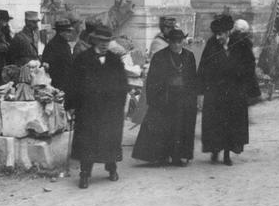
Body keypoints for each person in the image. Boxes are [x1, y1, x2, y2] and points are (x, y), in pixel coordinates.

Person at [65, 24, 129, 189]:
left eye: (107, 41)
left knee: (110, 140)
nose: (104, 44)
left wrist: (119, 105)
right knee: (88, 142)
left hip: (110, 110)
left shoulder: (115, 60)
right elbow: (73, 83)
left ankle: (111, 168)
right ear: (94, 40)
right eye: (101, 40)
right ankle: (85, 174)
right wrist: (71, 105)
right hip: (89, 110)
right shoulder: (83, 59)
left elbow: (123, 85)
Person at [132, 28, 198, 166]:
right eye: (173, 42)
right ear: (169, 42)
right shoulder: (160, 56)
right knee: (162, 128)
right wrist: (155, 99)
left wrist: (193, 99)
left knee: (180, 128)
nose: (176, 45)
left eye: (179, 42)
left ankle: (178, 157)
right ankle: (161, 156)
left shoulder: (189, 56)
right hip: (165, 98)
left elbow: (192, 79)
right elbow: (152, 80)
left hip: (182, 99)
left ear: (183, 42)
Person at [197, 14, 255, 166]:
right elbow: (203, 67)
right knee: (215, 123)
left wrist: (246, 86)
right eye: (216, 34)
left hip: (235, 91)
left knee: (232, 123)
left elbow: (250, 65)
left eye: (221, 34)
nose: (218, 37)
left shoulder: (241, 44)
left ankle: (228, 154)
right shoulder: (211, 45)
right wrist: (201, 91)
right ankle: (215, 150)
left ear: (228, 32)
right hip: (216, 92)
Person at [230, 19, 261, 103]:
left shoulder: (233, 38)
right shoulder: (244, 40)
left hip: (240, 64)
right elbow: (249, 55)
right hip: (244, 65)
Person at [41, 19, 74, 92]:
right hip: (57, 85)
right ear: (61, 32)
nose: (70, 34)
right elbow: (47, 67)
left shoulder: (65, 45)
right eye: (68, 31)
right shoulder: (52, 46)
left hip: (66, 83)